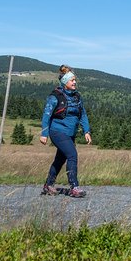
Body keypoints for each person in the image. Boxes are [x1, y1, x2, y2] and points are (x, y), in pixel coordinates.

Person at [40, 65, 92, 198]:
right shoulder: (55, 97)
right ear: (65, 82)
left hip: (70, 133)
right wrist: (44, 134)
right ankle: (74, 187)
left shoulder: (76, 97)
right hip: (57, 131)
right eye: (72, 80)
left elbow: (83, 114)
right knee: (72, 155)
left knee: (60, 159)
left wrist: (87, 131)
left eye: (75, 80)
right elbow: (46, 115)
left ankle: (48, 185)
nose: (74, 82)